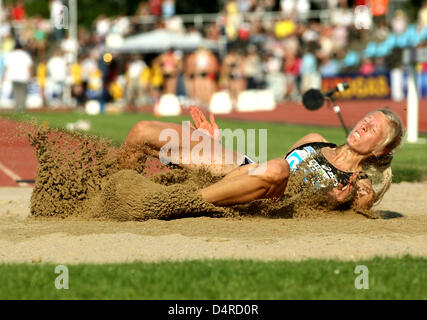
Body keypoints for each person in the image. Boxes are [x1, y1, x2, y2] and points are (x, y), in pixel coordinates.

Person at [123, 106, 403, 210]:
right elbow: (262, 171)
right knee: (143, 131)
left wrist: (329, 202)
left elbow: (344, 225)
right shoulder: (313, 140)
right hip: (249, 174)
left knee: (279, 168)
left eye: (374, 129)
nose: (364, 125)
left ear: (381, 151)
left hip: (271, 202)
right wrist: (213, 144)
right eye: (367, 119)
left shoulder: (361, 187)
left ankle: (178, 203)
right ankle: (108, 192)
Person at [1, 41, 33, 111]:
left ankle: (17, 107)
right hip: (24, 76)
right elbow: (29, 67)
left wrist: (4, 77)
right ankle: (22, 107)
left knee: (16, 93)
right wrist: (31, 77)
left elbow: (6, 67)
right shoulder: (25, 55)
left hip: (13, 76)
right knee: (23, 93)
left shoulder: (11, 55)